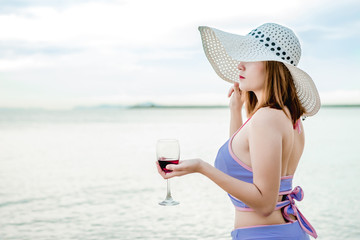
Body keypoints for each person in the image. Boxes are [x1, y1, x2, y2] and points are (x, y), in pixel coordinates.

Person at [156, 23, 320, 240]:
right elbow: (244, 163)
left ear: (272, 65)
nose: (240, 65)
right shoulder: (290, 118)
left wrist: (201, 167)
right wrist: (236, 110)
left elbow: (264, 204)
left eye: (250, 57)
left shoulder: (267, 118)